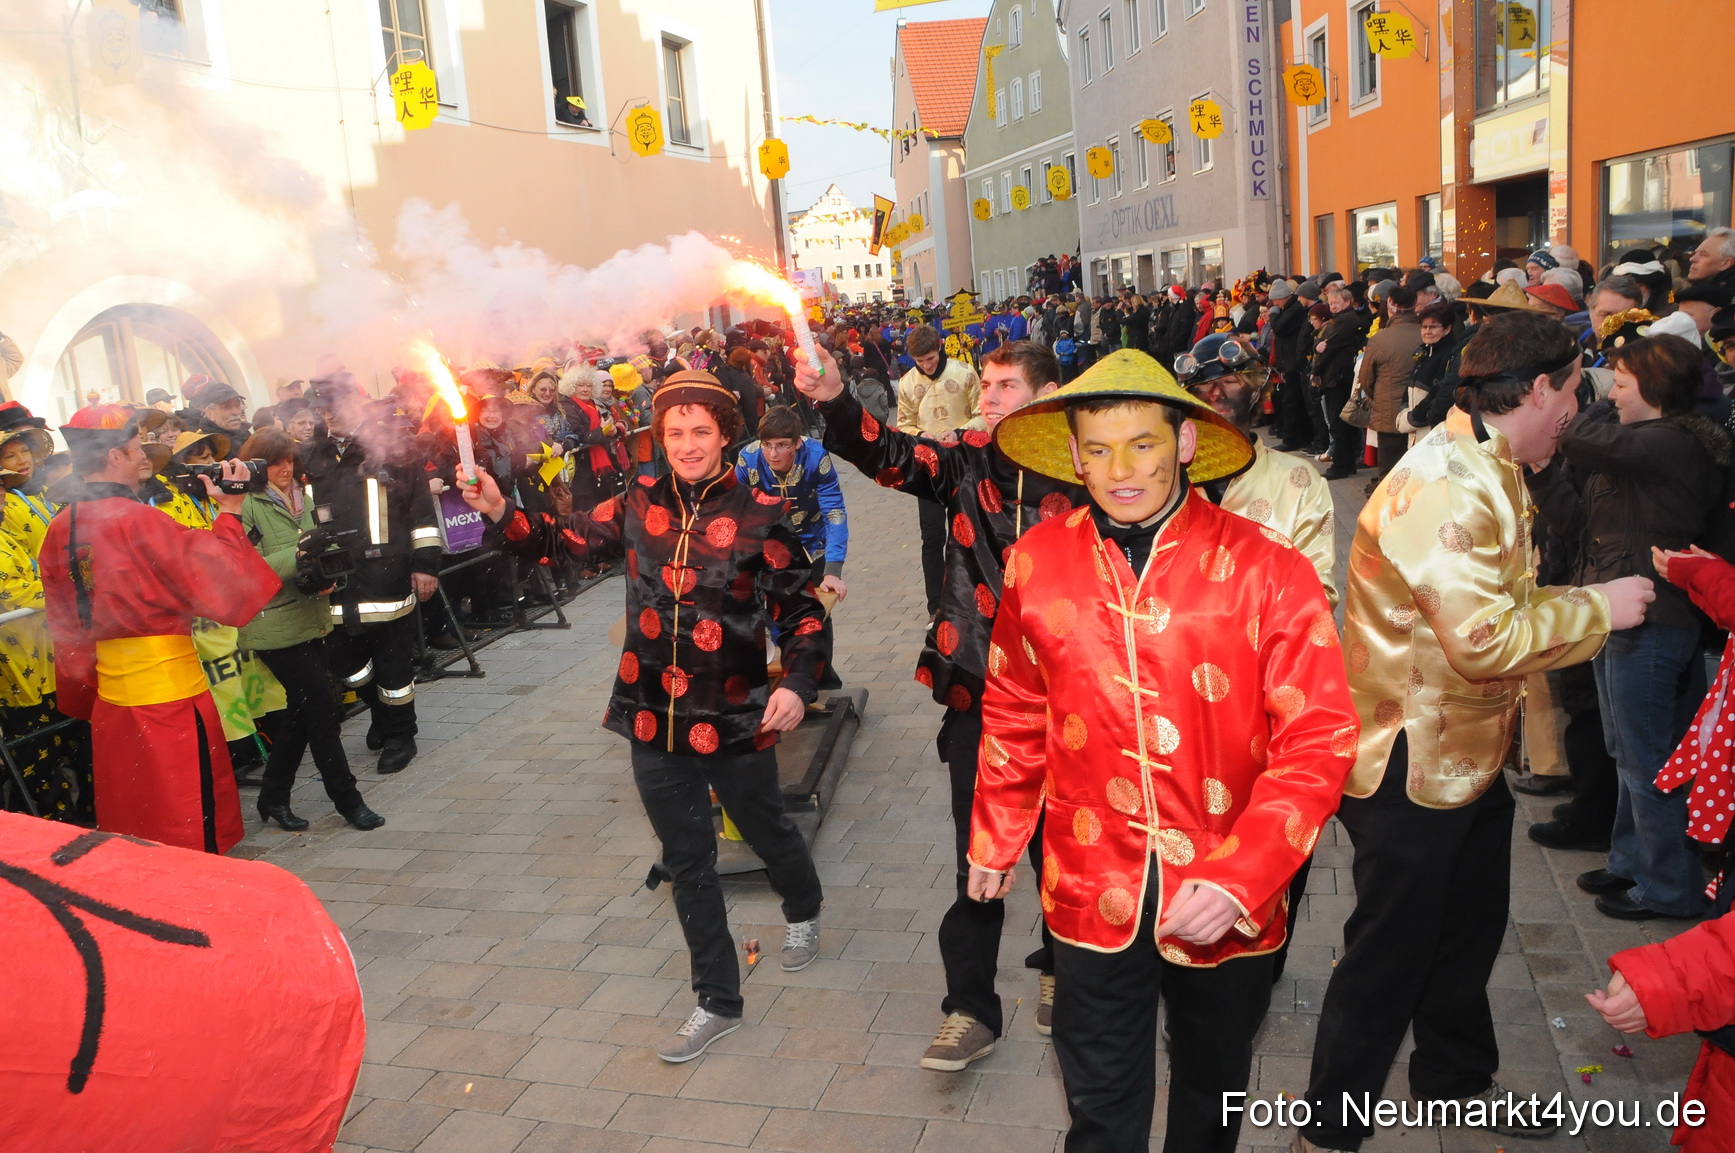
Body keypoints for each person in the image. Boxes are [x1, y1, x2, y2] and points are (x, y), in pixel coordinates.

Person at [969, 349, 1357, 1152]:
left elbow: (1318, 735)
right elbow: (1015, 699)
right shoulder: (1036, 560)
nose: (1120, 471)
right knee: (1098, 1096)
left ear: (1182, 443)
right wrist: (997, 830)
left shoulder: (1266, 567)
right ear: (1073, 454)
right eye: (1099, 449)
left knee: (1211, 1084)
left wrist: (1243, 875)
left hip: (1222, 880)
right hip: (1086, 872)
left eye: (1142, 444)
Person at [1297, 311, 1658, 1152]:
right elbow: (1483, 639)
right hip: (1408, 762)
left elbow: (1501, 606)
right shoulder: (1448, 484)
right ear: (1536, 389)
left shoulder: (1492, 462)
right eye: (1572, 395)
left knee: (1464, 932)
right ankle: (1325, 1131)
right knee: (1388, 956)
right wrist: (1595, 608)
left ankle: (1453, 1081)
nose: (1577, 411)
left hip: (1462, 751)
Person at [459, 370, 828, 1064]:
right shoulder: (638, 501)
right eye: (675, 432)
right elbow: (563, 540)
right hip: (651, 716)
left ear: (725, 435)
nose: (687, 445)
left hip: (735, 713)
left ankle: (803, 906)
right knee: (688, 859)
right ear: (659, 436)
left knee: (765, 829)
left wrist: (800, 683)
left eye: (701, 431)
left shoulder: (761, 512)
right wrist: (500, 509)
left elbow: (804, 613)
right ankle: (717, 1000)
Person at [796, 339, 1081, 1072]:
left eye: (1005, 386)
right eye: (985, 384)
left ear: (1047, 394)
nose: (987, 398)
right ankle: (970, 1008)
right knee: (974, 856)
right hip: (979, 689)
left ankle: (1062, 965)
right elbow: (889, 454)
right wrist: (834, 399)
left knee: (1065, 848)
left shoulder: (1088, 470)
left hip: (1074, 698)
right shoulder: (966, 460)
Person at [1527, 334, 1730, 922]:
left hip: (1654, 618)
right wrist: (1542, 472)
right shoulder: (1636, 446)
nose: (1611, 394)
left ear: (1655, 386)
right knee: (1625, 751)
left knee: (1648, 758)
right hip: (1617, 608)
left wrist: (1563, 407)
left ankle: (1668, 887)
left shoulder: (1673, 442)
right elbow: (1577, 523)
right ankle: (1631, 862)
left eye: (1620, 383)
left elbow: (1582, 436)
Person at [40, 405, 281, 853]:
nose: (143, 459)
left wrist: (86, 688)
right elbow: (217, 579)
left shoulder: (60, 527)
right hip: (170, 699)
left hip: (112, 698)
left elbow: (65, 622)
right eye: (136, 450)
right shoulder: (139, 519)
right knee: (186, 811)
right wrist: (230, 510)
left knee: (134, 807)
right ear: (114, 456)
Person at [237, 428, 385, 834]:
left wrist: (329, 574)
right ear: (256, 465)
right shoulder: (245, 505)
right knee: (322, 713)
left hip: (310, 617)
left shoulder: (303, 496)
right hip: (272, 626)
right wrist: (302, 551)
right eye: (275, 462)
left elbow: (322, 548)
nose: (285, 469)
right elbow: (248, 570)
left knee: (301, 715)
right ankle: (349, 801)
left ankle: (273, 796)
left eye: (289, 460)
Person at [300, 377, 442, 775]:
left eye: (336, 406)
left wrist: (425, 565)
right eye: (323, 408)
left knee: (393, 663)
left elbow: (420, 513)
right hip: (335, 580)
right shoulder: (311, 454)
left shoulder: (394, 447)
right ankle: (380, 713)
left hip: (386, 573)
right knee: (342, 660)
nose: (329, 415)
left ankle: (401, 735)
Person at [735, 406, 848, 691]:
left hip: (813, 540)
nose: (773, 454)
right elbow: (735, 511)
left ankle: (820, 678)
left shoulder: (817, 457)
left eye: (782, 445)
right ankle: (779, 675)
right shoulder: (748, 460)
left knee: (817, 610)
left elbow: (834, 512)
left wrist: (833, 569)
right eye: (767, 445)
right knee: (768, 607)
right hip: (768, 543)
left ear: (797, 443)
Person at [896, 324, 982, 619]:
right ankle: (936, 607)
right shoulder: (907, 383)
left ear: (940, 348)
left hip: (963, 462)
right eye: (920, 361)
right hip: (928, 467)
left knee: (968, 532)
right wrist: (921, 435)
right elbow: (903, 425)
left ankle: (975, 600)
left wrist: (960, 432)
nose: (927, 366)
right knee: (932, 537)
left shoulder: (965, 373)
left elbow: (983, 414)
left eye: (931, 359)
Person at [1356, 283, 1424, 488]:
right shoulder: (1426, 333)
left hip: (1389, 410)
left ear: (1391, 304)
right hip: (1421, 409)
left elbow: (1366, 378)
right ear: (1415, 303)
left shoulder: (1380, 338)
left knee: (1389, 469)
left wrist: (1377, 396)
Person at [1314, 284, 1370, 480]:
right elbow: (1319, 338)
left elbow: (1330, 345)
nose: (1333, 306)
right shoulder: (1339, 320)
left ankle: (1340, 465)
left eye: (1336, 302)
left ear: (1347, 302)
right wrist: (1317, 344)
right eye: (1330, 303)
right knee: (1342, 421)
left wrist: (1316, 369)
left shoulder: (1345, 320)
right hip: (1338, 375)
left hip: (1339, 376)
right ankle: (1347, 462)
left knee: (1339, 422)